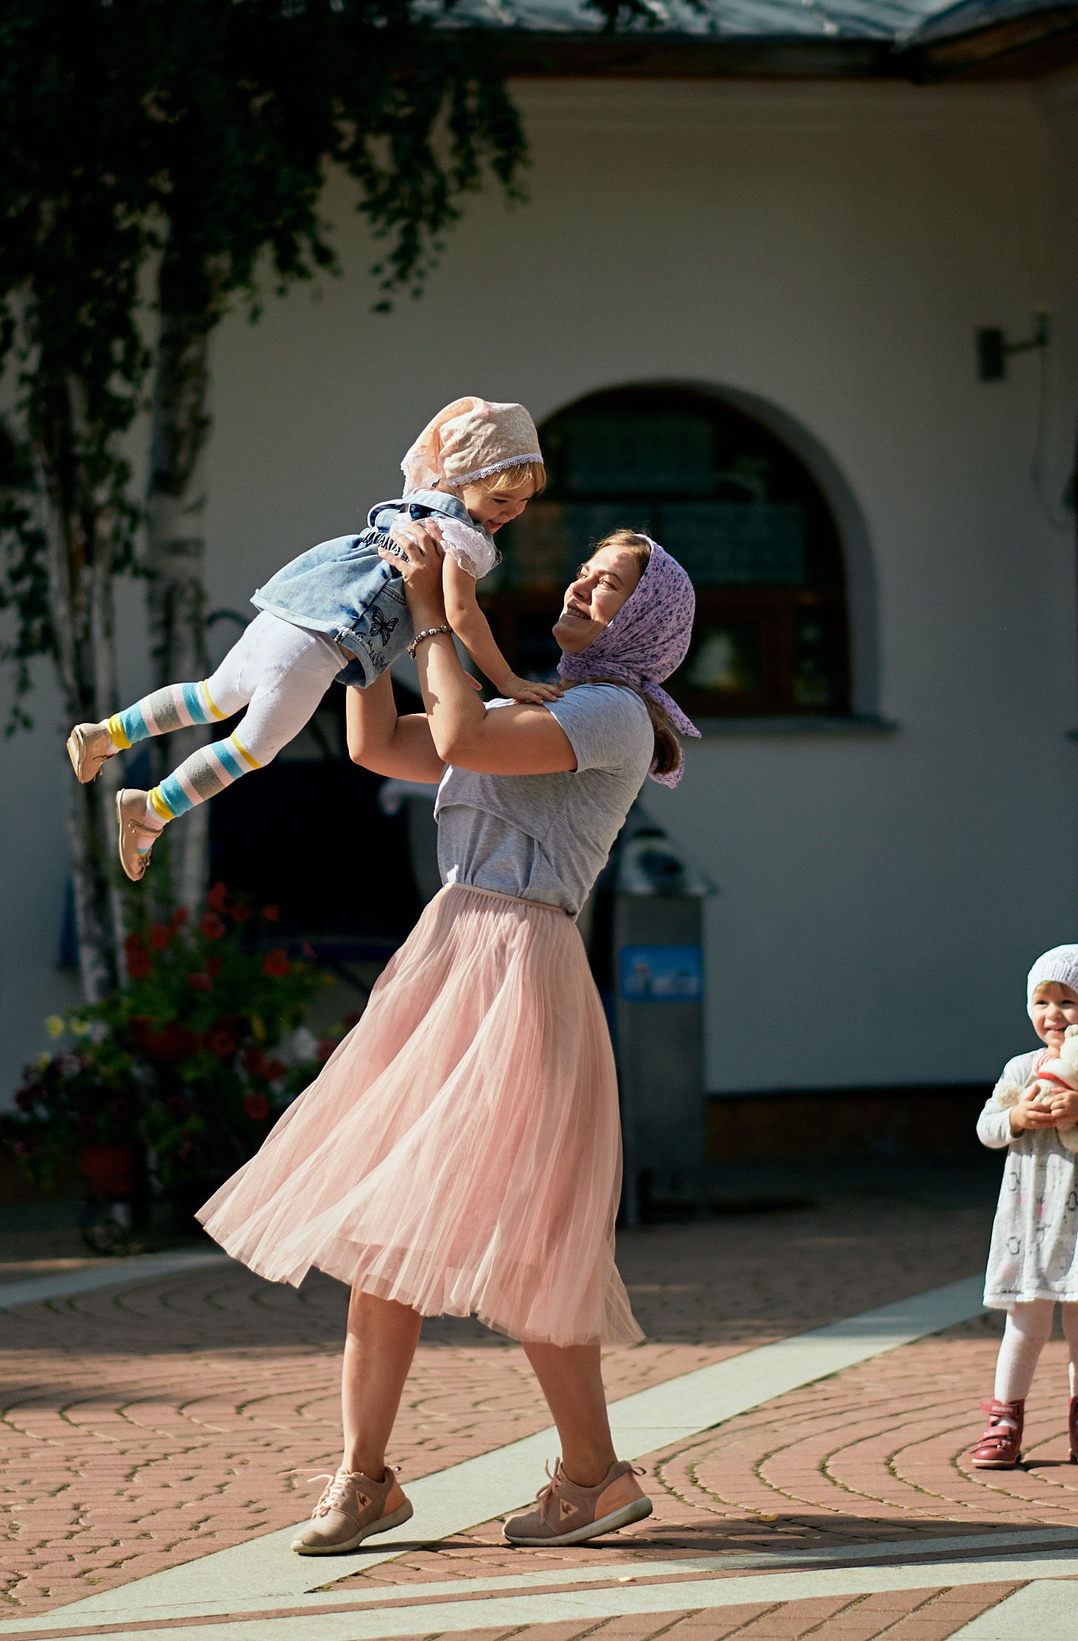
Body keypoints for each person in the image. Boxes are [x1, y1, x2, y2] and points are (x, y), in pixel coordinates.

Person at [194, 522, 701, 1555]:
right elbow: (380, 746)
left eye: (607, 588)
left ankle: (592, 1477)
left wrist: (431, 610)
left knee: (533, 1247)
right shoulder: (539, 701)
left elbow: (462, 739)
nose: (579, 590)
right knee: (385, 1224)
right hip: (454, 957)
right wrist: (362, 634)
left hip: (518, 970)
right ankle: (366, 1475)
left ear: (644, 626)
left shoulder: (615, 715)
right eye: (587, 573)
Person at [66, 397, 559, 879]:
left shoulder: (409, 509)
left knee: (211, 696)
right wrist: (506, 679)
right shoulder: (455, 534)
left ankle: (106, 734)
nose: (510, 513)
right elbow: (461, 611)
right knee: (252, 749)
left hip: (293, 610)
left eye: (523, 503)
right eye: (499, 499)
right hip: (316, 646)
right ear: (461, 478)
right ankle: (150, 812)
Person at [966, 945, 1078, 1470]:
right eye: (1042, 1001)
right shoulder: (1022, 1069)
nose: (1053, 1014)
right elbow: (987, 1127)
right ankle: (1004, 1422)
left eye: (1068, 1002)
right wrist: (1017, 1117)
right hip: (1031, 1225)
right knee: (1025, 1324)